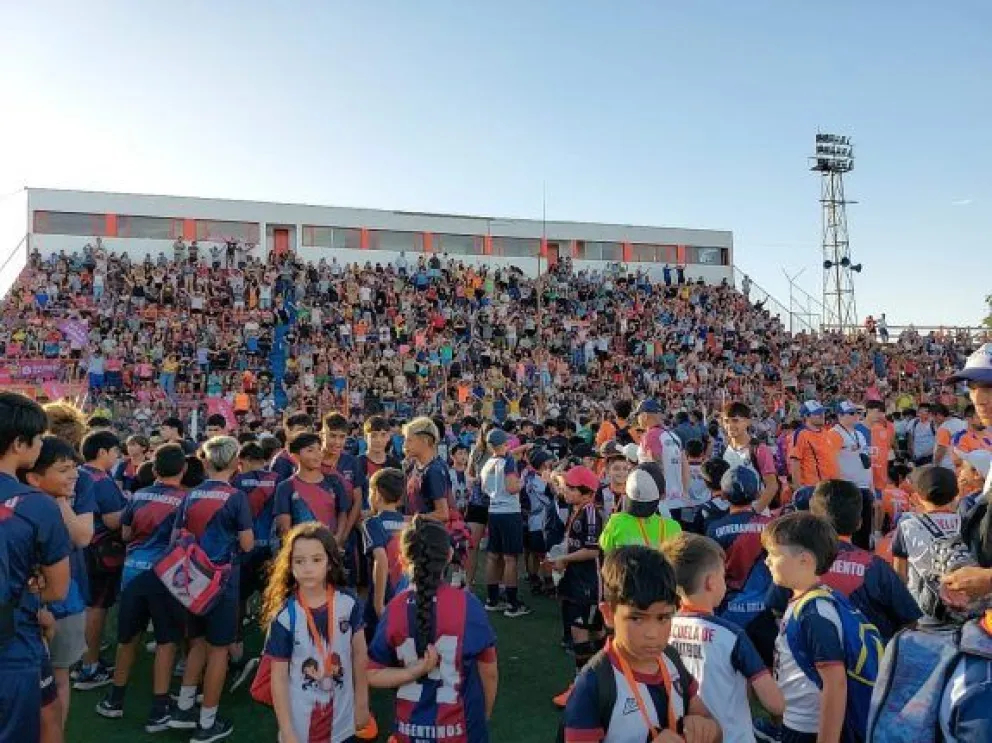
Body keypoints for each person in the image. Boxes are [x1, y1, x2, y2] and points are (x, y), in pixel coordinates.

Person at [562, 545, 721, 743]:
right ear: (609, 615)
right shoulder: (593, 685)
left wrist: (707, 728)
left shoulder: (671, 658)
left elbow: (708, 721)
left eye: (663, 617)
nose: (652, 634)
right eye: (637, 618)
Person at [368, 516, 498, 743]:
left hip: (408, 732)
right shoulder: (468, 605)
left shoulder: (395, 609)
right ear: (448, 555)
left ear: (403, 558)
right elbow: (489, 671)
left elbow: (370, 673)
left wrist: (411, 673)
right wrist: (483, 715)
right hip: (461, 731)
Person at [762, 512, 879, 743]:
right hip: (797, 721)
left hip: (807, 728)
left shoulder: (814, 613)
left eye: (773, 554)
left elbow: (835, 684)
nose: (767, 561)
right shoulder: (806, 600)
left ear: (804, 560)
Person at [95, 443, 188, 731]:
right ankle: (159, 708)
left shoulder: (138, 495)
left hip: (133, 575)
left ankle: (115, 699)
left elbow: (124, 534)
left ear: (154, 469)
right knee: (166, 641)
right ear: (183, 470)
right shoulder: (187, 498)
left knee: (128, 639)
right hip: (166, 577)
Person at [170, 436, 254, 741]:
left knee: (198, 643)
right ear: (235, 463)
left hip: (191, 579)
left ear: (204, 461)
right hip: (222, 581)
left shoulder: (189, 496)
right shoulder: (235, 497)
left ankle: (183, 708)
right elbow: (247, 543)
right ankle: (207, 722)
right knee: (219, 650)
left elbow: (177, 538)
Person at [663, 533, 784, 743]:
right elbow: (774, 702)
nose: (725, 581)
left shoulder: (663, 630)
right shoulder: (730, 635)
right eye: (723, 574)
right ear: (710, 582)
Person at [0, 392, 72, 743]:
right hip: (13, 646)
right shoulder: (36, 506)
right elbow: (58, 589)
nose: (42, 444)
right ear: (18, 443)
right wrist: (30, 592)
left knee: (48, 715)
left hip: (18, 631)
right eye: (39, 438)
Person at [767, 480, 921, 642]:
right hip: (871, 662)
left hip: (808, 662)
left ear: (813, 518)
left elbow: (775, 609)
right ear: (859, 523)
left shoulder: (794, 563)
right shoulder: (876, 567)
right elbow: (910, 621)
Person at [260, 523, 371, 743]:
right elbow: (279, 678)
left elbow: (360, 655)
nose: (307, 568)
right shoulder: (285, 617)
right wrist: (287, 730)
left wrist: (362, 703)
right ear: (290, 566)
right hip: (300, 728)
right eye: (299, 561)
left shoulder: (349, 603)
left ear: (330, 562)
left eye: (316, 559)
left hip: (343, 721)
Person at [17, 435, 89, 734]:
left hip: (64, 605)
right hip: (31, 608)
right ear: (34, 476)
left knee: (59, 676)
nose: (73, 474)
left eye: (73, 466)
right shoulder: (25, 504)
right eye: (63, 469)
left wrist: (60, 499)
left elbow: (82, 536)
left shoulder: (61, 500)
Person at [549, 465, 606, 708]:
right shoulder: (578, 509)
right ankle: (592, 683)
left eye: (571, 488)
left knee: (584, 632)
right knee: (588, 631)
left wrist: (565, 559)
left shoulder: (590, 512)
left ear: (586, 492)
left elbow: (592, 550)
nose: (566, 491)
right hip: (577, 581)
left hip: (588, 584)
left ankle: (584, 686)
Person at [75, 429, 127, 691]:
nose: (117, 456)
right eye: (115, 451)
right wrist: (131, 509)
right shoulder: (100, 480)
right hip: (99, 551)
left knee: (82, 604)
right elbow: (112, 520)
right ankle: (90, 666)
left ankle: (81, 660)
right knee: (95, 608)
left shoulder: (76, 472)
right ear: (102, 452)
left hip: (77, 548)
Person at [705, 466, 773, 630]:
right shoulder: (771, 526)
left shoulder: (714, 529)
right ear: (758, 494)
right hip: (766, 612)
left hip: (728, 612)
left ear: (723, 495)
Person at [891, 466, 960, 604]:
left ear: (917, 497)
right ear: (955, 495)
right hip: (963, 606)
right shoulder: (967, 522)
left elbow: (900, 576)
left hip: (923, 608)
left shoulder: (907, 526)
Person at [479, 428, 529, 617]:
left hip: (494, 511)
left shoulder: (487, 463)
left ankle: (492, 599)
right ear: (504, 444)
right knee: (510, 559)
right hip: (509, 512)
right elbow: (511, 487)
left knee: (493, 556)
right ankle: (512, 603)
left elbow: (485, 489)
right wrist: (521, 482)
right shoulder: (507, 462)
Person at [274, 432, 351, 546]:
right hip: (302, 552)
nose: (317, 454)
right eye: (310, 450)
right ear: (295, 456)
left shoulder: (334, 481)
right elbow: (285, 529)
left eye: (319, 449)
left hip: (331, 549)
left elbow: (342, 513)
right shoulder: (285, 487)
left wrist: (338, 539)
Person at [361, 467, 408, 643]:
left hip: (383, 593)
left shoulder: (372, 523)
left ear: (377, 495)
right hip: (406, 595)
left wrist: (378, 604)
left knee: (374, 647)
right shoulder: (408, 523)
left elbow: (381, 559)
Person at [599, 464, 681, 552]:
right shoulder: (674, 527)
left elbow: (605, 549)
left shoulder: (615, 522)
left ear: (626, 490)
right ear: (663, 495)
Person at [722, 402, 780, 513]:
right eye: (726, 421)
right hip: (732, 515)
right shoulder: (726, 448)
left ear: (748, 422)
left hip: (756, 517)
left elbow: (772, 486)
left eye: (735, 420)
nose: (730, 425)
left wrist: (755, 512)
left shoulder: (759, 450)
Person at [270, 413, 314, 483]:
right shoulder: (281, 461)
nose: (305, 433)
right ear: (288, 432)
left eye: (309, 430)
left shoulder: (318, 456)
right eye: (300, 429)